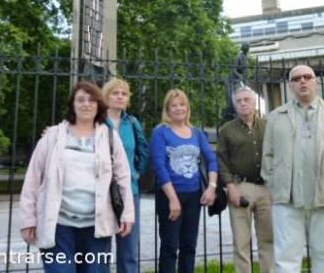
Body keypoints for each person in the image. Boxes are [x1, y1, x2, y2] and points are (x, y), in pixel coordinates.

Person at [19, 81, 135, 273]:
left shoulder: (110, 137)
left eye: (91, 100)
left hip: (96, 228)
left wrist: (127, 214)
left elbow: (123, 179)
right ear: (72, 104)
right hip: (58, 226)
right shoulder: (52, 136)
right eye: (80, 99)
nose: (86, 104)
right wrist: (27, 220)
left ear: (98, 105)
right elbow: (32, 179)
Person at [261, 65, 324, 273]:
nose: (302, 81)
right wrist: (275, 186)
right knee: (286, 257)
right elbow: (268, 157)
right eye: (297, 79)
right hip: (286, 199)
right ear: (290, 86)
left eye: (307, 77)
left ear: (316, 82)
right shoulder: (275, 117)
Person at [150, 88, 218, 273]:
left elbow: (211, 159)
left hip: (194, 196)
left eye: (182, 104)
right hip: (170, 195)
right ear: (167, 109)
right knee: (170, 247)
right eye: (174, 105)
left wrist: (211, 187)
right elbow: (159, 167)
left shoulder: (196, 132)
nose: (179, 108)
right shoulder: (161, 132)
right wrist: (173, 199)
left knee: (189, 246)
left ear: (188, 108)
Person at [217, 87, 274, 273]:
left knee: (268, 239)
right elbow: (222, 161)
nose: (243, 103)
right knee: (242, 241)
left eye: (246, 99)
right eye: (239, 100)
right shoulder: (226, 130)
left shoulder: (268, 126)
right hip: (241, 188)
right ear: (234, 104)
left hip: (266, 188)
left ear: (254, 102)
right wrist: (230, 187)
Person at [102, 78, 149, 273]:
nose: (120, 97)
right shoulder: (97, 122)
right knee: (101, 246)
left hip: (129, 190)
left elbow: (143, 149)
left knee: (128, 247)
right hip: (101, 191)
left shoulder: (132, 122)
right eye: (115, 93)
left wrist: (138, 172)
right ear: (106, 97)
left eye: (124, 94)